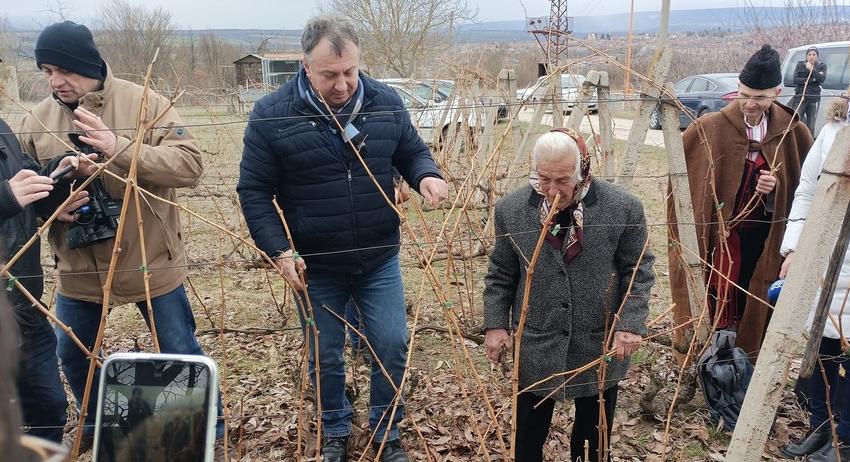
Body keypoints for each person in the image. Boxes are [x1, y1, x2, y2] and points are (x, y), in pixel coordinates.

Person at [237, 15, 447, 462]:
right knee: (325, 353)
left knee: (390, 343)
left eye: (350, 71)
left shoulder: (386, 101)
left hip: (378, 258)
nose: (343, 84)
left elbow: (411, 150)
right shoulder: (272, 115)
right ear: (305, 66)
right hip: (316, 265)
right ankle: (335, 427)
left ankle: (386, 428)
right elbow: (254, 191)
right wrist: (280, 250)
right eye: (329, 74)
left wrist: (426, 176)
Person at [17, 20, 222, 449]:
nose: (56, 81)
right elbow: (25, 194)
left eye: (63, 70)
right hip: (78, 266)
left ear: (87, 63)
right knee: (73, 354)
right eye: (47, 71)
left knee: (179, 349)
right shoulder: (36, 120)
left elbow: (190, 165)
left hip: (152, 261)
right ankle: (101, 429)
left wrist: (119, 148)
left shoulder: (146, 103)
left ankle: (205, 431)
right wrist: (55, 207)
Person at [483, 129, 655, 462]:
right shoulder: (511, 209)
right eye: (543, 178)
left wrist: (630, 323)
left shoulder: (623, 208)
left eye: (563, 180)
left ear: (583, 170)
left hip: (597, 342)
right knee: (527, 438)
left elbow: (639, 270)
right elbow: (501, 273)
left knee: (593, 440)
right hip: (536, 340)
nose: (551, 191)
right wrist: (495, 325)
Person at [668, 44, 813, 358]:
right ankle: (708, 356)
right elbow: (685, 189)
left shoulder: (793, 132)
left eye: (759, 97)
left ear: (776, 92)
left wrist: (776, 188)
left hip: (764, 239)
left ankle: (748, 357)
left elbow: (806, 190)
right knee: (717, 293)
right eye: (744, 94)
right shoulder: (709, 128)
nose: (749, 103)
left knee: (753, 293)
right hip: (719, 237)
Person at [1, 114, 96, 444]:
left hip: (25, 304)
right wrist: (5, 197)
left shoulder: (1, 127)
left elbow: (28, 181)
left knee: (48, 406)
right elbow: (10, 195)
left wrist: (62, 175)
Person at [778, 87, 850, 461]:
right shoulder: (834, 128)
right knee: (823, 343)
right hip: (824, 255)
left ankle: (846, 439)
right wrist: (794, 247)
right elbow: (808, 190)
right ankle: (822, 427)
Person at [789, 46, 827, 136]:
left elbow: (821, 79)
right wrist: (810, 79)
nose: (811, 56)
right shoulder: (800, 65)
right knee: (796, 121)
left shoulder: (822, 66)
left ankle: (809, 145)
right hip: (800, 97)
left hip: (813, 99)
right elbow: (795, 79)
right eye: (809, 54)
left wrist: (811, 69)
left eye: (814, 54)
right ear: (806, 56)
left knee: (811, 125)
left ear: (817, 56)